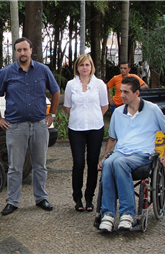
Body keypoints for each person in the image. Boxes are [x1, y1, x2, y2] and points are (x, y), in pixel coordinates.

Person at [0, 37, 60, 216]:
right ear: (15, 52)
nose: (22, 53)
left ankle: (41, 198)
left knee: (40, 165)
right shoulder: (6, 72)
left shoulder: (43, 70)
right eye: (19, 50)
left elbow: (56, 91)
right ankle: (12, 202)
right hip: (16, 127)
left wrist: (51, 113)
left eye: (25, 49)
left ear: (31, 50)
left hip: (39, 125)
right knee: (15, 167)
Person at [97, 77, 165, 232]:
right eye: (121, 91)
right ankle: (108, 214)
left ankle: (127, 214)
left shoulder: (152, 110)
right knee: (109, 164)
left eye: (126, 92)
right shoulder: (118, 112)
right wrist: (104, 158)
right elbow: (112, 139)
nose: (122, 95)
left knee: (119, 163)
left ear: (137, 93)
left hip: (142, 153)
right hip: (121, 152)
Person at [63, 54, 108, 212]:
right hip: (76, 129)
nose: (84, 68)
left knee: (93, 163)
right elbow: (68, 106)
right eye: (81, 65)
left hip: (95, 127)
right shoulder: (71, 85)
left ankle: (90, 197)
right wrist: (79, 118)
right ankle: (77, 198)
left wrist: (92, 117)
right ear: (77, 67)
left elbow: (104, 106)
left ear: (91, 67)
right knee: (79, 163)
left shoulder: (99, 84)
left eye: (87, 65)